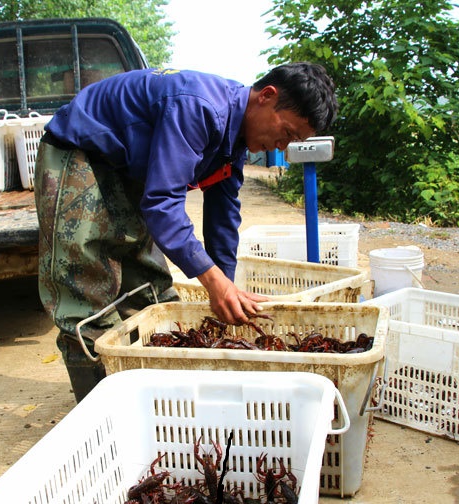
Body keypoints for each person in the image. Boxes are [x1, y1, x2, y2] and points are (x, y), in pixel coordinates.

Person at [34, 62, 338, 401]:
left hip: (128, 167)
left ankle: (153, 398)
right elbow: (162, 203)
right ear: (267, 96)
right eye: (288, 133)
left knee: (148, 286)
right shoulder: (200, 107)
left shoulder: (235, 139)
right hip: (80, 151)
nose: (282, 147)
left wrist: (225, 287)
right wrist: (211, 281)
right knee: (85, 285)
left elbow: (223, 215)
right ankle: (98, 408)